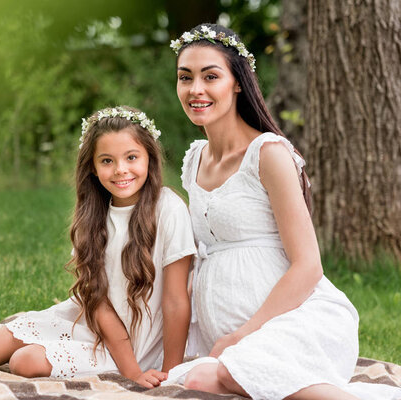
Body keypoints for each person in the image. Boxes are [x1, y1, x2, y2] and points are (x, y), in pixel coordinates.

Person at [164, 23, 401, 399]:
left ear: (237, 82)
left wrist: (244, 334)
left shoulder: (268, 154)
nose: (196, 89)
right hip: (224, 329)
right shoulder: (194, 160)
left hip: (290, 320)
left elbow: (309, 265)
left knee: (212, 378)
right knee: (197, 378)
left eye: (211, 76)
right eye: (185, 77)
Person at [0, 106, 197, 388]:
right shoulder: (93, 218)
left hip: (143, 343)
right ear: (91, 167)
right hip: (97, 325)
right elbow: (98, 300)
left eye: (132, 157)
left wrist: (171, 374)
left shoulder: (168, 208)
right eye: (107, 160)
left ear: (149, 158)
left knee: (24, 362)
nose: (120, 170)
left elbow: (175, 300)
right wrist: (130, 372)